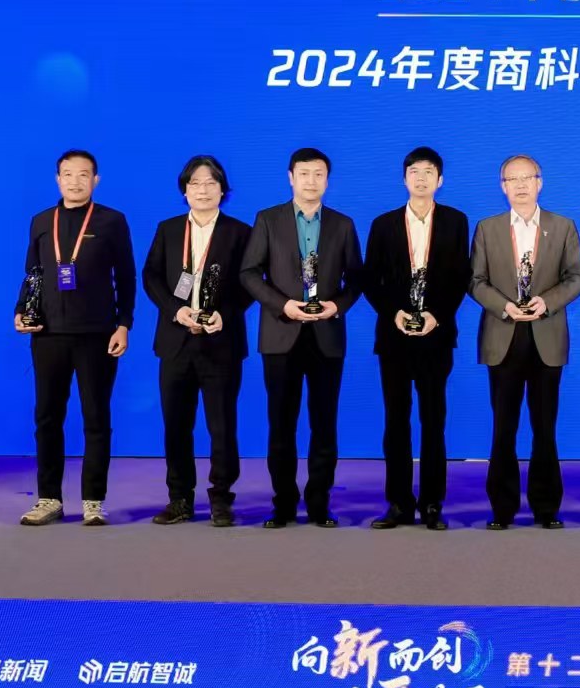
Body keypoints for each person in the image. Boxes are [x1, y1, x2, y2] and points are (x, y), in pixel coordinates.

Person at [240, 148, 363, 528]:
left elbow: (356, 279)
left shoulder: (342, 224)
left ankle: (320, 503)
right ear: (290, 178)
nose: (312, 181)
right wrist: (283, 305)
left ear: (328, 179)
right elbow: (249, 273)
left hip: (327, 336)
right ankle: (283, 504)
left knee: (324, 424)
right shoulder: (268, 219)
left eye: (319, 174)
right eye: (304, 174)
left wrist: (336, 306)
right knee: (281, 424)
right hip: (281, 334)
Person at [13, 149, 135, 527]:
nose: (75, 181)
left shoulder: (112, 221)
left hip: (97, 335)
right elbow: (32, 274)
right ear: (58, 179)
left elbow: (126, 277)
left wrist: (123, 324)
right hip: (48, 335)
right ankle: (49, 498)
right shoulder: (40, 221)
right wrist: (21, 310)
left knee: (96, 417)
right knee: (48, 418)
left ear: (95, 180)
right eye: (68, 174)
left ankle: (93, 501)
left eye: (83, 175)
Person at [470, 153, 580, 530]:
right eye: (512, 179)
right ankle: (502, 509)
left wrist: (546, 302)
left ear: (540, 183)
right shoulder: (487, 228)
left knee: (544, 427)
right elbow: (475, 281)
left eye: (527, 178)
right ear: (502, 187)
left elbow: (575, 279)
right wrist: (504, 306)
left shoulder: (563, 226)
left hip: (545, 335)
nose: (520, 185)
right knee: (503, 427)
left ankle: (546, 508)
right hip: (503, 335)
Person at [363, 147, 471, 531]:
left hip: (435, 336)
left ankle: (432, 503)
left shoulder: (456, 221)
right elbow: (370, 279)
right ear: (404, 178)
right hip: (394, 337)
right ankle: (398, 503)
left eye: (428, 172)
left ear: (440, 180)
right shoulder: (383, 224)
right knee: (396, 421)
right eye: (414, 171)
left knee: (433, 420)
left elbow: (461, 277)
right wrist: (393, 312)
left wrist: (435, 315)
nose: (421, 178)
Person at [141, 155, 252, 528]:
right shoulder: (169, 229)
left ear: (222, 189)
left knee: (222, 426)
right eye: (195, 184)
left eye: (210, 183)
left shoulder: (240, 232)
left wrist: (226, 314)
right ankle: (179, 499)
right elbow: (151, 276)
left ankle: (221, 499)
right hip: (175, 341)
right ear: (185, 190)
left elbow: (250, 282)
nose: (203, 190)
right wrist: (176, 310)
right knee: (176, 426)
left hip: (221, 341)